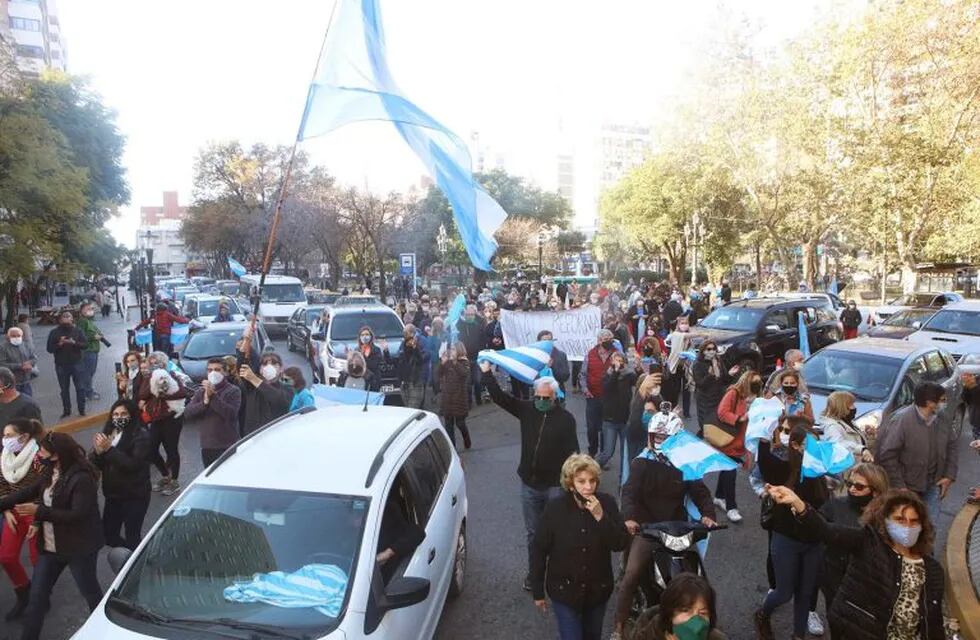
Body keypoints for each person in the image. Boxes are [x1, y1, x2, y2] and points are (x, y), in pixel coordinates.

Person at [766, 486, 947, 640]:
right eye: (900, 520)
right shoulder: (867, 543)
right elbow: (825, 530)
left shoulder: (933, 570)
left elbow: (934, 620)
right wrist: (798, 504)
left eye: (914, 521)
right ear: (884, 521)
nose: (907, 527)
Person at [612, 407, 718, 640]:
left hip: (677, 528)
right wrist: (629, 517)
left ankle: (705, 624)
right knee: (630, 576)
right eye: (656, 436)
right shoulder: (642, 462)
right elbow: (629, 492)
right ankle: (618, 627)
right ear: (650, 436)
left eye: (665, 437)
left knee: (699, 578)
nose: (659, 440)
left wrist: (708, 515)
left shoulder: (684, 464)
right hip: (647, 528)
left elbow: (700, 492)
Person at [480, 361, 579, 592]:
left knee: (556, 533)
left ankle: (556, 573)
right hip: (530, 485)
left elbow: (574, 454)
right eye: (538, 397)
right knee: (533, 533)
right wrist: (487, 374)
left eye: (546, 398)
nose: (541, 401)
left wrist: (574, 484)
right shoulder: (527, 410)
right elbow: (500, 398)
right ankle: (535, 575)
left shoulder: (566, 420)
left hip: (555, 486)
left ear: (554, 396)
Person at [0, 432, 104, 640]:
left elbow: (77, 515)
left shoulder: (81, 478)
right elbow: (28, 492)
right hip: (49, 548)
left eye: (42, 450)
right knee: (36, 600)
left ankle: (103, 630)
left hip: (78, 549)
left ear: (56, 454)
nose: (39, 454)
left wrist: (37, 513)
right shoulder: (50, 471)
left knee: (90, 593)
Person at [530, 454, 628, 640]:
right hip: (564, 591)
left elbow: (619, 543)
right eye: (581, 481)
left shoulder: (607, 503)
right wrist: (537, 590)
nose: (588, 486)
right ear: (570, 483)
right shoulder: (555, 508)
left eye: (592, 481)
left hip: (597, 591)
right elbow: (539, 549)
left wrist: (601, 517)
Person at [754, 416, 827, 640]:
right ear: (795, 445)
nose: (814, 450)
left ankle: (797, 635)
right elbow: (764, 456)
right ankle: (763, 614)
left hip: (813, 540)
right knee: (784, 592)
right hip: (786, 538)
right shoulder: (781, 467)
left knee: (805, 593)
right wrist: (767, 427)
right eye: (808, 445)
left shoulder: (821, 469)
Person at [817, 463, 889, 637]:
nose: (852, 490)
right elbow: (817, 526)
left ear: (876, 491)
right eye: (850, 484)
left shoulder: (886, 518)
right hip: (834, 580)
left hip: (868, 590)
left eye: (859, 486)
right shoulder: (835, 505)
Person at [875, 381, 957, 525]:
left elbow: (952, 445)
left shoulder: (942, 419)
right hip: (907, 488)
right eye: (942, 400)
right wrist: (900, 486)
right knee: (905, 528)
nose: (945, 403)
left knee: (930, 528)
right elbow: (887, 455)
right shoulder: (902, 421)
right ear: (930, 403)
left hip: (933, 485)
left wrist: (949, 475)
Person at [89, 400, 152, 551]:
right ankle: (135, 555)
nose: (119, 417)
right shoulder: (109, 433)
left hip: (135, 495)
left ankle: (135, 561)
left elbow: (133, 465)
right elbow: (97, 463)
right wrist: (98, 453)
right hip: (113, 496)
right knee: (108, 535)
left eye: (124, 414)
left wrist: (109, 450)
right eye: (116, 414)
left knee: (132, 536)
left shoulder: (141, 436)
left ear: (131, 415)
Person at [0, 417, 43, 621]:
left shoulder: (38, 457)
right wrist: (6, 510)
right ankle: (24, 593)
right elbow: (2, 484)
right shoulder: (5, 456)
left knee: (37, 559)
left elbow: (43, 490)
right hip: (13, 512)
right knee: (6, 557)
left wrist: (37, 520)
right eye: (4, 435)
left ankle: (40, 598)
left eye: (9, 436)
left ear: (24, 437)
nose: (5, 439)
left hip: (35, 513)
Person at [713, 371, 762, 524]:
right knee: (730, 470)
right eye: (754, 382)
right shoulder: (734, 393)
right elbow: (722, 412)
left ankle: (719, 497)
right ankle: (731, 507)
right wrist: (739, 418)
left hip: (741, 441)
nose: (757, 385)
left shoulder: (757, 399)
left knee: (727, 469)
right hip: (728, 439)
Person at [140, 352, 189, 497]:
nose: (155, 365)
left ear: (164, 364)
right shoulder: (148, 378)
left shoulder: (173, 375)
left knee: (171, 449)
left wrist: (162, 394)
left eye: (158, 363)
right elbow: (142, 395)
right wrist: (151, 381)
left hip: (172, 418)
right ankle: (165, 474)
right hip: (156, 418)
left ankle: (174, 481)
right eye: (152, 363)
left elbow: (182, 392)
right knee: (151, 449)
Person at [632, 572, 728, 640]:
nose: (695, 620)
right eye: (686, 611)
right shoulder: (647, 635)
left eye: (702, 613)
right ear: (669, 614)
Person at [184, 358, 242, 466]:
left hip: (227, 444)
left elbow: (231, 414)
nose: (213, 373)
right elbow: (188, 413)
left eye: (217, 370)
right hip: (208, 445)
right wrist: (205, 403)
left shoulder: (233, 391)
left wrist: (213, 397)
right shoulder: (201, 391)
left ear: (224, 372)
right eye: (210, 370)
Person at [596, 351, 636, 485]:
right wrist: (615, 372)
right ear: (612, 362)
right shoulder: (607, 376)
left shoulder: (629, 375)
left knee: (625, 454)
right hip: (610, 420)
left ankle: (623, 481)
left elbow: (638, 380)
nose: (618, 362)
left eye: (620, 360)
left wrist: (640, 367)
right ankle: (593, 467)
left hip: (625, 419)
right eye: (615, 360)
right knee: (608, 452)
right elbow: (608, 387)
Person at [578, 329, 618, 457]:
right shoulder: (590, 354)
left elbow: (624, 373)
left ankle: (603, 454)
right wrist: (585, 389)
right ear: (599, 341)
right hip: (592, 397)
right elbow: (582, 375)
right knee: (592, 428)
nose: (608, 342)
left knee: (606, 428)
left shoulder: (616, 354)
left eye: (610, 339)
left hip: (609, 398)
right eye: (605, 339)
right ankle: (592, 451)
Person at [691, 341, 739, 438]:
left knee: (717, 422)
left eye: (714, 349)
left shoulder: (718, 361)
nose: (712, 351)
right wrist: (710, 375)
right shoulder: (698, 364)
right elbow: (700, 384)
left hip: (718, 396)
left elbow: (724, 379)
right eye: (709, 349)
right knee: (706, 423)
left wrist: (730, 374)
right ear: (703, 351)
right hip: (705, 400)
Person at [239, 352, 293, 437]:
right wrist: (243, 351)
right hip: (253, 438)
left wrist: (254, 379)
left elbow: (278, 399)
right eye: (264, 364)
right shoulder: (251, 387)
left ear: (281, 369)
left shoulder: (288, 389)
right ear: (260, 369)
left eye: (274, 363)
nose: (269, 367)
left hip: (277, 437)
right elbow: (242, 367)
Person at [46, 310, 87, 418]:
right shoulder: (54, 332)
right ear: (60, 319)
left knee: (80, 388)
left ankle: (82, 409)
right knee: (64, 389)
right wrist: (59, 344)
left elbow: (85, 345)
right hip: (61, 365)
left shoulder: (78, 330)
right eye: (64, 316)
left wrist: (74, 343)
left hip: (77, 363)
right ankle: (66, 410)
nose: (66, 318)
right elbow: (49, 349)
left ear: (72, 318)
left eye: (68, 316)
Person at [817, 391, 873, 462]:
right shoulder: (832, 426)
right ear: (842, 407)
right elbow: (837, 444)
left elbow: (856, 439)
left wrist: (870, 436)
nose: (854, 407)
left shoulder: (848, 421)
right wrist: (861, 449)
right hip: (847, 469)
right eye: (851, 404)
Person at [626, 368, 666, 462]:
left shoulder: (660, 430)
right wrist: (643, 389)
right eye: (646, 411)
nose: (647, 415)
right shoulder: (636, 431)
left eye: (651, 412)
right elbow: (635, 418)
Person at [438, 342, 472, 448]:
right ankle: (453, 448)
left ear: (459, 350)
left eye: (453, 349)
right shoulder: (447, 362)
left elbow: (464, 374)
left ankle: (466, 438)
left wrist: (455, 362)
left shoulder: (464, 362)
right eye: (450, 349)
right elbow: (438, 375)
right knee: (448, 425)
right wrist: (442, 364)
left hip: (459, 398)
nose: (451, 351)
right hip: (447, 398)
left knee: (460, 423)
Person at [458, 304, 488, 404]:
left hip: (476, 358)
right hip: (465, 358)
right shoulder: (461, 326)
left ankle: (478, 399)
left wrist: (481, 352)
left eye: (472, 314)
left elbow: (483, 341)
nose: (470, 316)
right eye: (468, 314)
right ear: (465, 315)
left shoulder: (478, 326)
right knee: (467, 382)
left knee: (477, 381)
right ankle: (469, 402)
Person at [75, 301, 103, 403]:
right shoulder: (82, 321)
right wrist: (93, 337)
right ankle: (88, 392)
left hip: (93, 349)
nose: (90, 311)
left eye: (91, 309)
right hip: (88, 350)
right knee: (88, 372)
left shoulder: (89, 321)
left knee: (90, 372)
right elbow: (79, 336)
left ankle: (87, 390)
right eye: (87, 309)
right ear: (81, 311)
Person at [397, 324, 428, 409]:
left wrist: (415, 348)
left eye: (406, 333)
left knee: (413, 408)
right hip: (405, 381)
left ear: (412, 333)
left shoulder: (422, 340)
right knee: (408, 408)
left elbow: (423, 358)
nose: (405, 336)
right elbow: (400, 358)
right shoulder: (404, 343)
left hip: (416, 380)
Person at [0, 327, 37, 396]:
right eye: (13, 336)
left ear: (22, 336)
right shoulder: (3, 348)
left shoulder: (26, 345)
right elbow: (2, 364)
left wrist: (29, 363)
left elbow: (34, 358)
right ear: (8, 337)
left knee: (28, 402)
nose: (16, 338)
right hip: (11, 383)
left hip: (26, 381)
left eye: (18, 336)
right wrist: (20, 366)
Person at [355, 326, 388, 392]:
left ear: (371, 336)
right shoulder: (357, 350)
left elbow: (374, 365)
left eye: (367, 334)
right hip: (360, 382)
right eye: (362, 335)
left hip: (374, 382)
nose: (365, 337)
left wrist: (362, 356)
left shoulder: (376, 350)